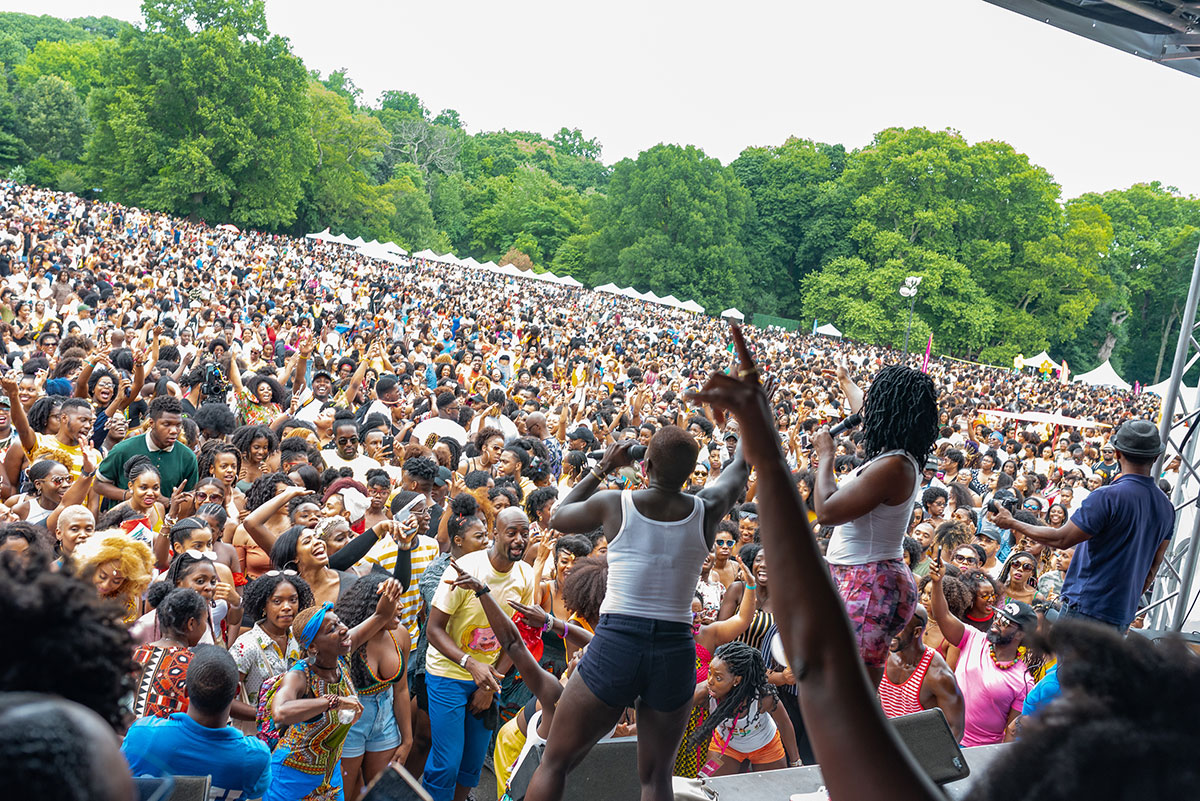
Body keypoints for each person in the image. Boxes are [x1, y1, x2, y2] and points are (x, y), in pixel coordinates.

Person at [523, 423, 750, 801]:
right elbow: (740, 467)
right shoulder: (707, 510)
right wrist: (748, 415)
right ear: (691, 471)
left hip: (616, 645)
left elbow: (558, 516)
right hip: (675, 651)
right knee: (656, 778)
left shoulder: (616, 503)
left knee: (555, 762)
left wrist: (604, 467)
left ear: (644, 467)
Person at [812, 364, 939, 685]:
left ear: (889, 406)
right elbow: (865, 410)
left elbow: (826, 511)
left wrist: (826, 455)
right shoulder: (898, 454)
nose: (868, 407)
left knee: (854, 686)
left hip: (870, 583)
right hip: (866, 574)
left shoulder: (894, 465)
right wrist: (845, 380)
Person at [987, 419, 1174, 630]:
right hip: (1121, 614)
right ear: (1157, 457)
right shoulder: (1166, 507)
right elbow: (1152, 568)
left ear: (1118, 453)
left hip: (1086, 608)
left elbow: (1061, 539)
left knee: (1074, 664)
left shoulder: (1106, 496)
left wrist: (1012, 522)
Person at [424, 506, 535, 801]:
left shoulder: (525, 575)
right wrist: (469, 663)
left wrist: (492, 680)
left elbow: (518, 635)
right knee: (446, 762)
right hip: (448, 673)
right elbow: (433, 630)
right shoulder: (466, 569)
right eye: (511, 532)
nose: (519, 540)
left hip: (488, 678)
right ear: (494, 534)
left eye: (525, 533)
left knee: (472, 763)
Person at [265, 579, 403, 801]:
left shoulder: (342, 657)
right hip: (292, 776)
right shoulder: (300, 676)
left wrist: (389, 594)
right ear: (312, 647)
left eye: (339, 623)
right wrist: (335, 701)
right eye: (332, 629)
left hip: (330, 776)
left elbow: (380, 616)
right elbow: (281, 711)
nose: (343, 629)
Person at [122, 645, 273, 800]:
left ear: (186, 691)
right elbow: (257, 792)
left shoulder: (143, 734)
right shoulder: (255, 757)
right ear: (237, 691)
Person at [929, 556, 1033, 746]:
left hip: (977, 750)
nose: (997, 623)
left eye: (1006, 623)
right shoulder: (973, 638)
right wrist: (937, 583)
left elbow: (1011, 732)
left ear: (1020, 635)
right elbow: (942, 615)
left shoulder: (1024, 681)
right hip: (942, 733)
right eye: (999, 617)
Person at [686, 640, 800, 775]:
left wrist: (796, 762)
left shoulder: (763, 696)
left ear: (736, 680)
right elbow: (675, 713)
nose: (710, 681)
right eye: (710, 672)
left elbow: (784, 723)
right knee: (712, 788)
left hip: (765, 746)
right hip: (726, 746)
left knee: (773, 793)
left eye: (718, 677)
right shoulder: (704, 692)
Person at [229, 570, 314, 722]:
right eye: (277, 601)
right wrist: (267, 715)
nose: (287, 607)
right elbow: (224, 699)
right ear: (263, 606)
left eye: (293, 600)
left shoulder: (300, 639)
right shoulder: (246, 646)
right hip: (255, 737)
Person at [877, 604, 965, 740]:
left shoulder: (937, 674)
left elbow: (955, 729)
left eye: (899, 627)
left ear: (917, 632)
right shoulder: (883, 653)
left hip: (920, 747)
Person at [95, 395, 198, 503]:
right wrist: (130, 496)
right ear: (151, 423)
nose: (174, 431)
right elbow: (99, 484)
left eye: (178, 425)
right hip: (125, 518)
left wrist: (168, 502)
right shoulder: (123, 449)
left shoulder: (187, 457)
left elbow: (190, 497)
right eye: (166, 424)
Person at [130, 587, 209, 719]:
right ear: (191, 623)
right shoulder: (193, 665)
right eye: (205, 621)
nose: (205, 626)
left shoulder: (140, 653)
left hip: (131, 736)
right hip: (170, 738)